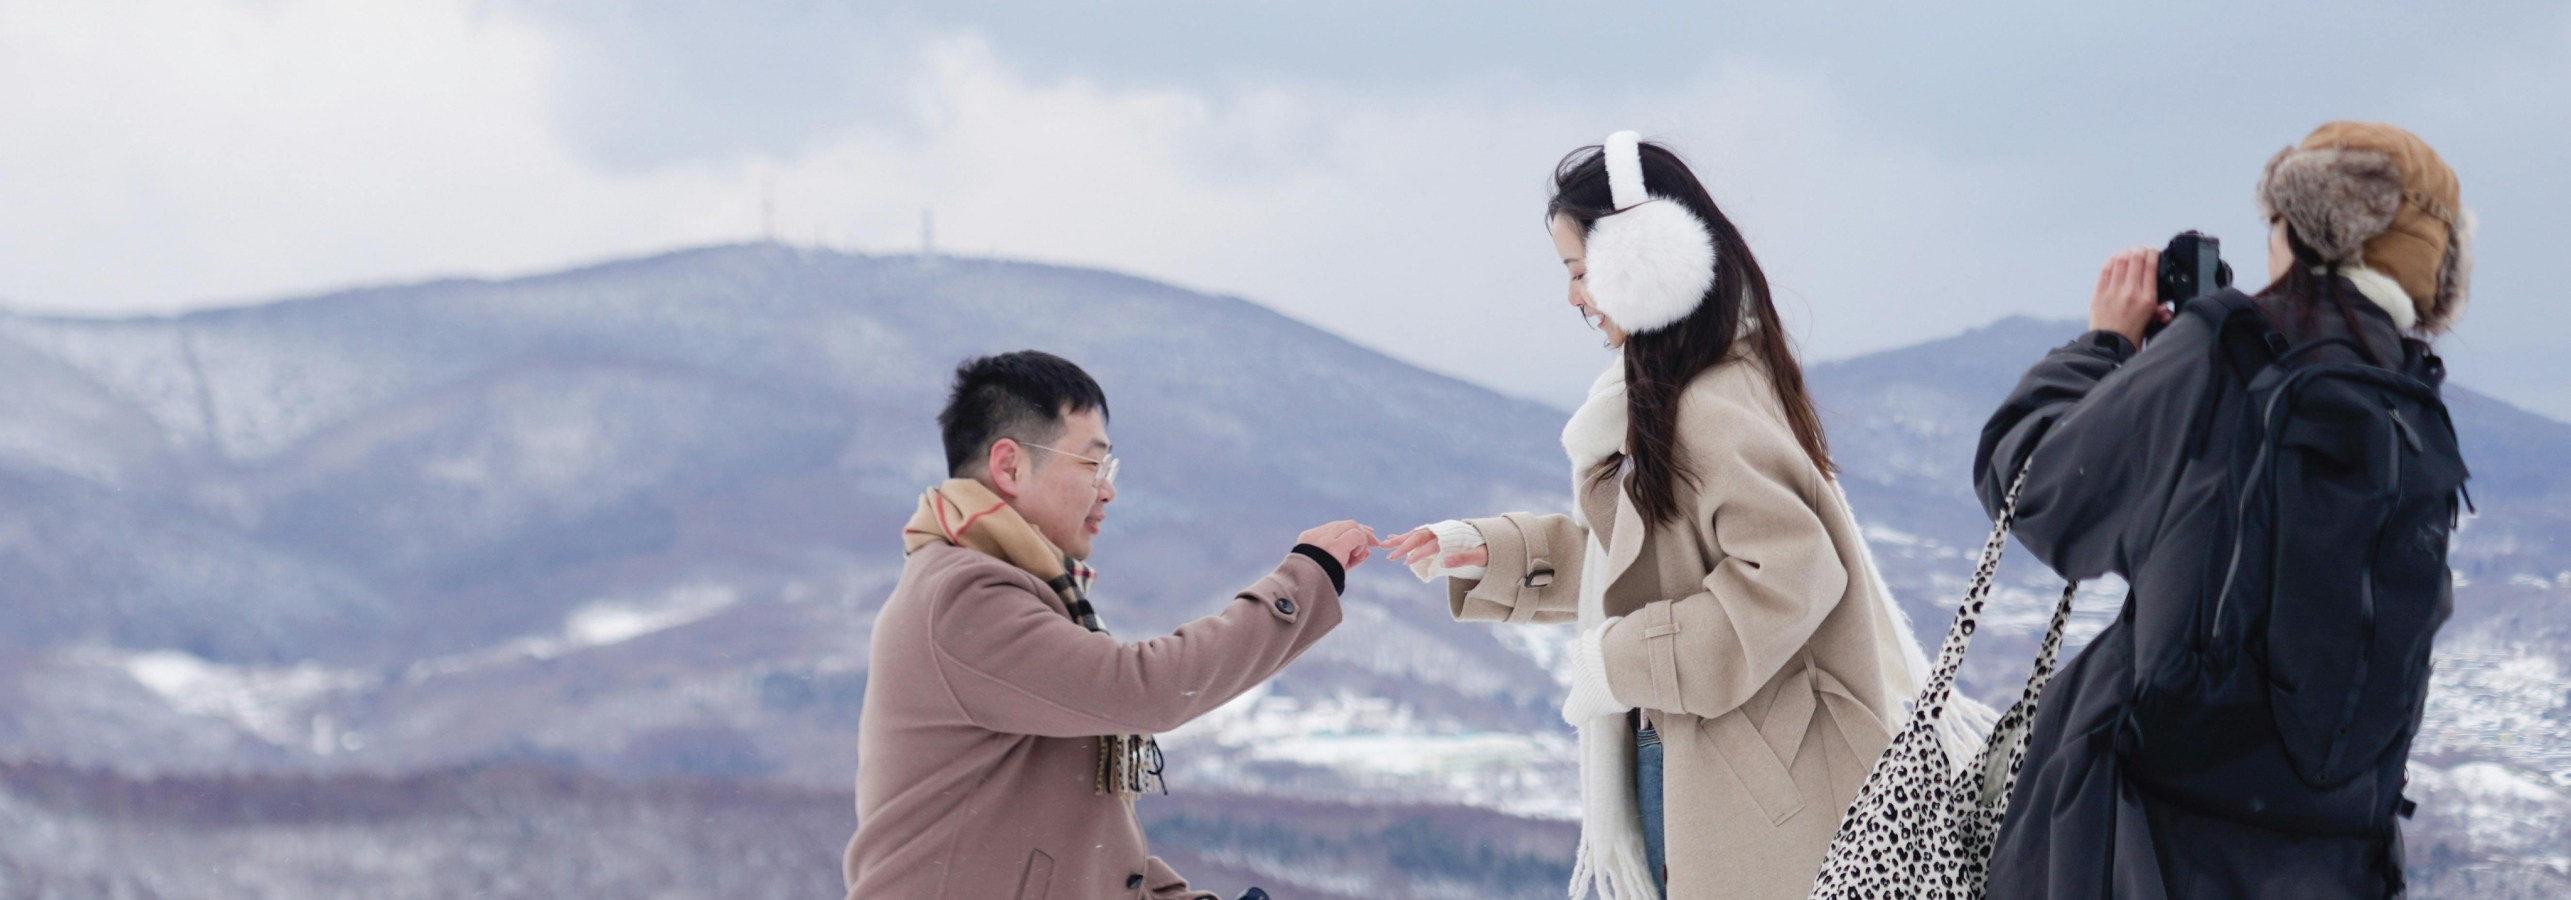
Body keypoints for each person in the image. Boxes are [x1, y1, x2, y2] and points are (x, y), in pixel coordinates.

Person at [1382, 132, 1966, 899]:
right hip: (1706, 760)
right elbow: (1650, 559)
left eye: (1580, 270)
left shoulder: (1709, 406)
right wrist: (1494, 555)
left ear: (1644, 264)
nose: (1572, 296)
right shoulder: (1666, 396)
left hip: (1755, 785)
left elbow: (1791, 576)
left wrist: (1618, 660)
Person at [1974, 121, 2474, 897]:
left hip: (2142, 845)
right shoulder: (2411, 403)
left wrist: (2105, 346)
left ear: (2307, 229)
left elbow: (2033, 489)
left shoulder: (2224, 349)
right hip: (2332, 860)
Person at [842, 350, 1373, 900]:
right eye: (1092, 465)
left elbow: (1063, 848)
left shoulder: (1024, 589)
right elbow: (1147, 690)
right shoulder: (963, 596)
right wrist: (1305, 580)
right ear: (1009, 466)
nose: (1108, 489)